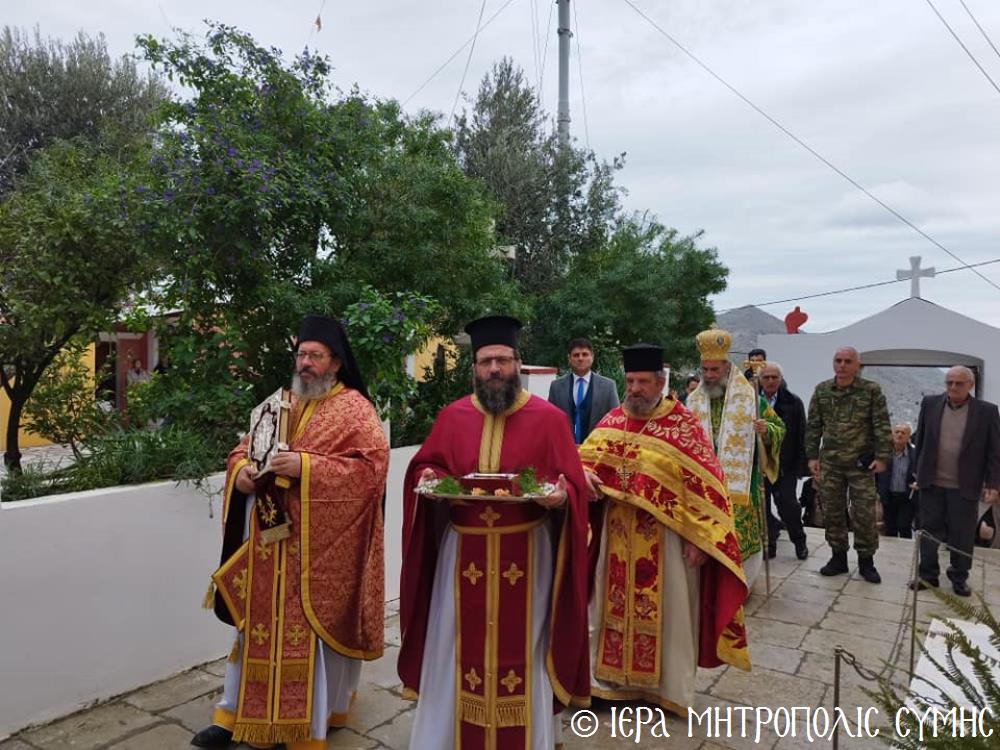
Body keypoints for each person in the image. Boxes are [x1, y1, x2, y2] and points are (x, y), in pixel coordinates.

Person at [193, 315, 389, 750]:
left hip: (316, 555)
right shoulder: (279, 403)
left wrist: (304, 466)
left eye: (314, 356)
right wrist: (241, 471)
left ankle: (299, 728)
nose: (304, 363)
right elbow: (245, 448)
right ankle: (234, 715)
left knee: (305, 640)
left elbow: (371, 471)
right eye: (300, 354)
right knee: (254, 632)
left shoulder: (355, 409)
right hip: (268, 548)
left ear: (336, 363)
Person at [398, 315, 591, 750]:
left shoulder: (549, 419)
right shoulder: (453, 416)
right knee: (454, 643)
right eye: (486, 362)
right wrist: (430, 475)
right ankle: (447, 737)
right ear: (475, 368)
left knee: (527, 646)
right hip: (461, 553)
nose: (494, 370)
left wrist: (562, 498)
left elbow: (573, 485)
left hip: (529, 554)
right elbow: (430, 466)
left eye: (502, 360)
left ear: (518, 363)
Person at [579, 343, 749, 714]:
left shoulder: (683, 425)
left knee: (671, 618)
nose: (635, 389)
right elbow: (582, 464)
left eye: (642, 381)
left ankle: (665, 690)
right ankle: (604, 685)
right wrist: (584, 478)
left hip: (669, 541)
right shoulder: (611, 421)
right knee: (604, 610)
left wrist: (702, 540)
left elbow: (709, 488)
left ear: (660, 383)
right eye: (630, 381)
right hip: (616, 537)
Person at [686, 329, 784, 584]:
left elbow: (779, 428)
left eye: (714, 370)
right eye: (705, 370)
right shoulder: (693, 401)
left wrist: (766, 430)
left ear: (727, 368)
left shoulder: (750, 398)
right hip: (704, 484)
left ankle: (739, 584)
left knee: (737, 534)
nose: (709, 376)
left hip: (739, 485)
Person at [911, 366, 1000, 596]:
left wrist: (993, 484)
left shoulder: (987, 412)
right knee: (929, 533)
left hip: (965, 486)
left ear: (970, 385)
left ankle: (959, 578)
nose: (952, 387)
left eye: (958, 383)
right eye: (949, 382)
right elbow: (920, 440)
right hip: (932, 483)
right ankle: (928, 576)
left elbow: (994, 451)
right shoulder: (930, 404)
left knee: (962, 535)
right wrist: (917, 474)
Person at [805, 346, 891, 584]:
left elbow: (882, 425)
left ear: (857, 365)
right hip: (830, 464)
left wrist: (882, 457)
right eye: (838, 360)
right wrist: (812, 457)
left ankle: (866, 562)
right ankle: (838, 557)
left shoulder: (871, 391)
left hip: (860, 464)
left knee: (864, 514)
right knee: (832, 511)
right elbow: (813, 426)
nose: (842, 365)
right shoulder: (822, 390)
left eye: (847, 361)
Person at [759, 362, 809, 559]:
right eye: (766, 377)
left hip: (784, 466)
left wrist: (800, 467)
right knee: (762, 507)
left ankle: (799, 540)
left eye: (774, 377)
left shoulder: (793, 402)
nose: (771, 381)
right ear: (760, 380)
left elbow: (801, 434)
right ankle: (769, 544)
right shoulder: (751, 401)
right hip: (760, 464)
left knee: (789, 505)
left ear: (780, 379)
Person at [548, 337, 620, 444]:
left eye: (585, 354)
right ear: (569, 358)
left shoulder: (608, 386)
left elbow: (616, 421)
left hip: (596, 450)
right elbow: (550, 420)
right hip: (564, 448)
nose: (580, 358)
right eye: (576, 355)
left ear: (592, 357)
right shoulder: (556, 386)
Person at [876, 423, 917, 539]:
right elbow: (875, 472)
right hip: (888, 496)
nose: (899, 435)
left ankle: (906, 552)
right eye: (897, 432)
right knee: (890, 528)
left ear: (909, 437)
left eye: (903, 433)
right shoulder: (883, 453)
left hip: (907, 497)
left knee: (904, 525)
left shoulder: (915, 454)